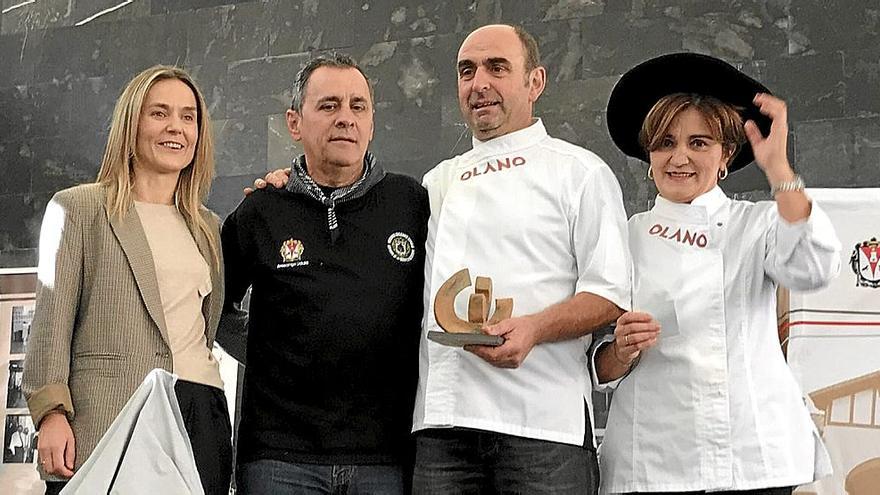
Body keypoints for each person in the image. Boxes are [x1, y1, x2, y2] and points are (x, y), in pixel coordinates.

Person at [593, 52, 840, 494]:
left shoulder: (758, 224)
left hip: (752, 452)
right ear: (649, 156)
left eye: (699, 143)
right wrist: (622, 351)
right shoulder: (622, 237)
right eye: (665, 143)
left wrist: (778, 168)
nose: (679, 157)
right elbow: (595, 364)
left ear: (726, 154)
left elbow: (814, 268)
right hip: (653, 458)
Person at [408, 24, 630, 494]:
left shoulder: (581, 173)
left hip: (543, 429)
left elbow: (609, 295)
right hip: (444, 431)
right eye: (466, 71)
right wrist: (295, 186)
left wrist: (533, 328)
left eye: (497, 67)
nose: (479, 83)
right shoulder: (436, 182)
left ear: (536, 82)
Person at [217, 53, 428, 494]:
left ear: (372, 121)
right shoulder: (260, 211)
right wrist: (274, 352)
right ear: (295, 123)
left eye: (358, 106)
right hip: (279, 458)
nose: (345, 119)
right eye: (329, 106)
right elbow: (212, 308)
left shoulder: (413, 204)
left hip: (385, 457)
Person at [22, 65, 232, 495]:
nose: (176, 127)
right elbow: (50, 323)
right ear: (131, 123)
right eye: (159, 113)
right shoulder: (77, 209)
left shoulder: (210, 228)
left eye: (188, 116)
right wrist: (50, 413)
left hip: (200, 412)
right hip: (107, 414)